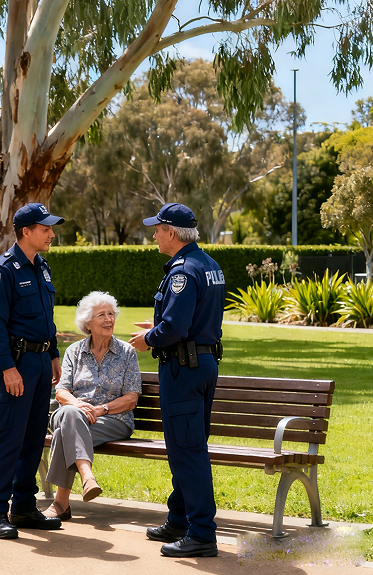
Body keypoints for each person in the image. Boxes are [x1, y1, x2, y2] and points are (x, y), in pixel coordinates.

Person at [129, 203, 225, 558]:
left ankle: (201, 534)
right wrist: (159, 328)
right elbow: (194, 319)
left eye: (157, 229)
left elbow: (175, 328)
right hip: (203, 364)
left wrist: (149, 339)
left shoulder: (182, 271)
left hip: (183, 370)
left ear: (171, 232)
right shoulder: (209, 264)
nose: (154, 235)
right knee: (188, 446)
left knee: (188, 451)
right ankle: (179, 520)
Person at [0, 202, 66, 539]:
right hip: (17, 364)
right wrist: (7, 368)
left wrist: (54, 354)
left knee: (33, 438)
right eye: (45, 229)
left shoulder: (41, 267)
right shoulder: (3, 271)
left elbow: (46, 317)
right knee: (10, 439)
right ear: (26, 231)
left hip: (42, 363)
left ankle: (24, 507)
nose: (51, 234)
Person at [43, 291, 141, 520]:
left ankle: (61, 504)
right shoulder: (74, 351)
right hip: (72, 413)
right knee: (69, 415)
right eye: (101, 315)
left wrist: (100, 409)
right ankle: (87, 477)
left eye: (111, 314)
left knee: (64, 433)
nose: (109, 319)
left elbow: (131, 398)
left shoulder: (126, 352)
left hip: (113, 419)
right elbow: (61, 392)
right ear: (87, 323)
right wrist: (78, 405)